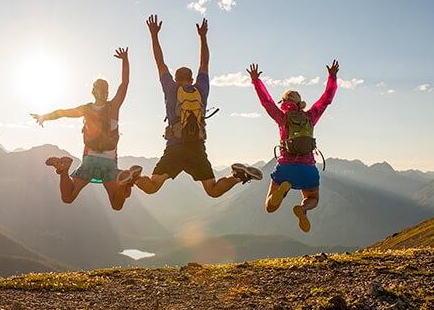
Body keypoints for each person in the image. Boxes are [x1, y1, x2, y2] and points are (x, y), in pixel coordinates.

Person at [135, 15, 262, 197]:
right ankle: (237, 176)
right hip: (196, 148)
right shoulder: (201, 88)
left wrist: (154, 35)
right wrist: (203, 37)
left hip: (174, 148)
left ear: (176, 79)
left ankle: (134, 177)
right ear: (192, 78)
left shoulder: (171, 88)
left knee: (153, 185)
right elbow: (204, 62)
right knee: (213, 190)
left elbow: (159, 62)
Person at [31, 47, 142, 211]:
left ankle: (63, 170)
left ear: (93, 92)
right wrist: (125, 60)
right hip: (109, 163)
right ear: (107, 92)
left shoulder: (85, 109)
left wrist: (44, 117)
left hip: (89, 160)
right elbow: (124, 84)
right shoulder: (113, 107)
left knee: (68, 197)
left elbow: (62, 113)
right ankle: (126, 183)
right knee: (117, 205)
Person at [246, 60, 339, 232]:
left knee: (270, 206)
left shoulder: (282, 117)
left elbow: (266, 101)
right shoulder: (310, 116)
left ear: (284, 103)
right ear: (299, 103)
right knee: (313, 198)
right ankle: (303, 208)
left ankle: (282, 190)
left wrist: (256, 81)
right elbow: (326, 100)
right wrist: (332, 77)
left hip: (285, 167)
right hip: (308, 168)